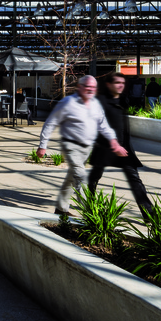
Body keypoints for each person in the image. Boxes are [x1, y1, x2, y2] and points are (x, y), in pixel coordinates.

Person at [37, 76, 127, 217]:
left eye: (93, 87)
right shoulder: (68, 102)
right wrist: (43, 145)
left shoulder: (96, 105)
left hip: (87, 148)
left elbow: (104, 126)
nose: (90, 89)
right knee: (80, 177)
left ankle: (61, 209)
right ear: (79, 86)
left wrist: (114, 143)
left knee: (71, 178)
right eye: (87, 86)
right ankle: (91, 215)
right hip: (71, 146)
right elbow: (50, 123)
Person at [89, 72, 153, 216]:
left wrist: (122, 145)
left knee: (135, 179)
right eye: (117, 82)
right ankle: (91, 205)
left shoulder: (123, 100)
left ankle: (149, 213)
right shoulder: (100, 101)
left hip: (124, 148)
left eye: (123, 83)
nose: (120, 85)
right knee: (95, 177)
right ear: (108, 84)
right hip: (105, 147)